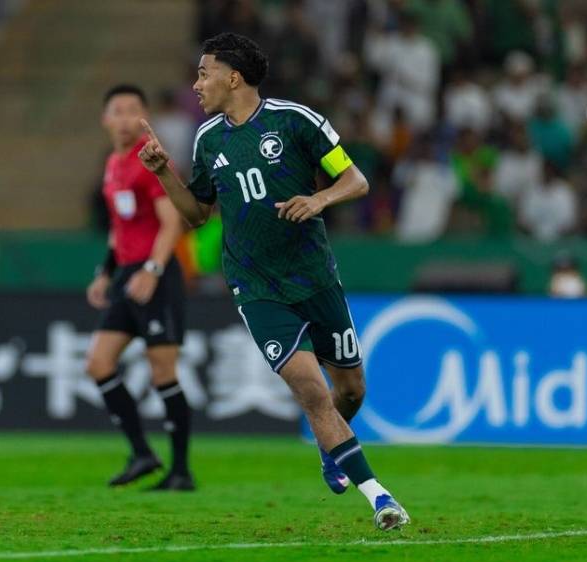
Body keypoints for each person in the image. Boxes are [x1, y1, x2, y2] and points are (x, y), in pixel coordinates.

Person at [138, 32, 409, 531]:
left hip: (314, 277)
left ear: (233, 78)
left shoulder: (295, 121)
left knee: (350, 390)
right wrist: (163, 174)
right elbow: (196, 215)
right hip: (256, 286)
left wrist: (319, 200)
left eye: (203, 73)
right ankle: (380, 498)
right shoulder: (208, 139)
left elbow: (356, 180)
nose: (196, 84)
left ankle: (332, 449)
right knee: (311, 391)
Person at [85, 84, 193, 491]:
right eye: (118, 110)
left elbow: (172, 222)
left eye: (134, 110)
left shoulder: (151, 160)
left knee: (162, 369)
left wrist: (153, 269)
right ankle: (142, 453)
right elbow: (120, 226)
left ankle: (180, 471)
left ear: (145, 116)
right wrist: (105, 271)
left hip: (156, 275)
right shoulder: (113, 164)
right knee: (98, 363)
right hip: (128, 274)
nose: (126, 118)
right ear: (105, 119)